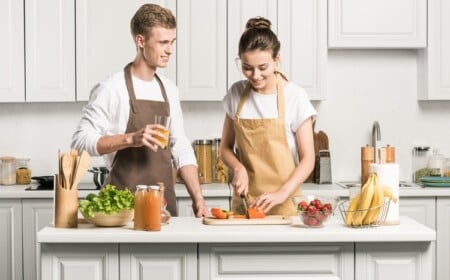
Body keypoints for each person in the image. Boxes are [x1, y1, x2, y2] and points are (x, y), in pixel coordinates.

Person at [71, 3, 208, 217]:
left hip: (162, 208)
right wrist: (131, 139)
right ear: (140, 41)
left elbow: (180, 146)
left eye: (172, 42)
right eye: (163, 42)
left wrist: (198, 199)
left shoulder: (169, 90)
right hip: (121, 210)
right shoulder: (111, 88)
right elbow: (79, 143)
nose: (169, 50)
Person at [220, 17, 317, 216]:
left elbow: (308, 159)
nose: (255, 75)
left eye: (263, 67)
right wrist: (238, 167)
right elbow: (225, 148)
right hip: (246, 204)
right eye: (247, 67)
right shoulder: (236, 94)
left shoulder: (295, 97)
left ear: (276, 59)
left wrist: (281, 193)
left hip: (285, 204)